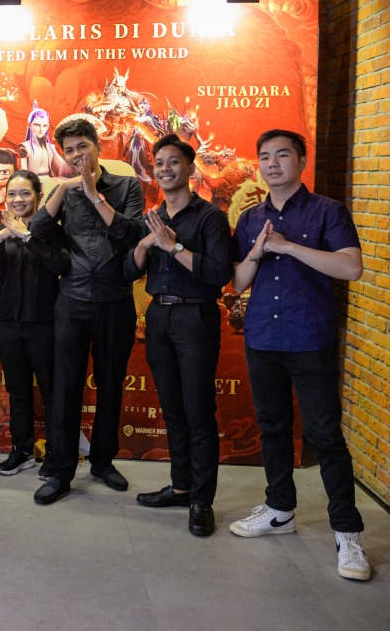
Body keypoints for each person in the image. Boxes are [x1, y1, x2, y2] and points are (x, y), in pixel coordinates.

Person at [229, 129, 370, 581]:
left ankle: (348, 535)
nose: (272, 164)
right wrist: (255, 252)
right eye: (265, 156)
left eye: (282, 155)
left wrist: (288, 247)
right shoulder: (250, 218)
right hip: (262, 339)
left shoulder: (328, 211)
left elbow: (351, 267)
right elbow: (237, 283)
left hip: (309, 337)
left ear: (301, 161)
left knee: (326, 437)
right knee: (272, 429)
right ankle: (279, 509)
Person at [29, 118, 145, 504]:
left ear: (97, 146)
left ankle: (103, 460)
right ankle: (61, 470)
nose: (76, 155)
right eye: (69, 150)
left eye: (82, 146)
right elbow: (38, 231)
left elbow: (131, 234)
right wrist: (63, 188)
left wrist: (95, 193)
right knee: (66, 387)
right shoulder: (64, 190)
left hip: (115, 300)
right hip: (73, 300)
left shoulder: (127, 185)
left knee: (111, 384)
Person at [125, 135, 234, 536]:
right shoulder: (153, 218)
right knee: (172, 409)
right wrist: (145, 243)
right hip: (159, 317)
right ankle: (181, 485)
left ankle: (202, 501)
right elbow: (129, 270)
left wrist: (172, 248)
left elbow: (219, 273)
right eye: (159, 163)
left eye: (174, 162)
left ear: (190, 168)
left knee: (198, 412)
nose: (165, 169)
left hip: (195, 318)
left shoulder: (210, 218)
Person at [0, 170, 68, 475]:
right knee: (17, 390)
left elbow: (62, 265)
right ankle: (21, 450)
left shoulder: (53, 231)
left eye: (25, 193)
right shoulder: (0, 230)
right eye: (12, 194)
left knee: (51, 390)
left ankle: (58, 455)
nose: (17, 200)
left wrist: (27, 237)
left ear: (39, 195)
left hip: (44, 323)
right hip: (8, 323)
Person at [18, 106, 75, 179]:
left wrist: (76, 166)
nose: (41, 129)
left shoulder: (50, 147)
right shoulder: (25, 147)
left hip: (50, 180)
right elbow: (23, 172)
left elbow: (62, 166)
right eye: (37, 125)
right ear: (29, 125)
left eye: (44, 126)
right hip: (33, 183)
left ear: (48, 126)